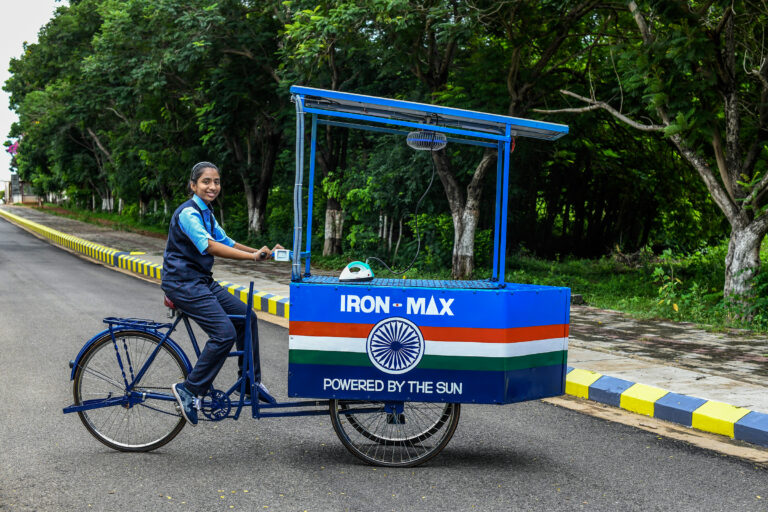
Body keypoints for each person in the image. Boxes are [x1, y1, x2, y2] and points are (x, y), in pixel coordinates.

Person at [164, 161, 282, 426]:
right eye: (206, 181)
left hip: (202, 282)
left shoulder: (207, 212)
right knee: (224, 333)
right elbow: (210, 247)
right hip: (183, 283)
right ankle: (190, 390)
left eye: (216, 182)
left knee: (246, 317)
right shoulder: (188, 213)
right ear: (193, 185)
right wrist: (251, 257)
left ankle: (249, 382)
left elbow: (226, 242)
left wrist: (257, 253)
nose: (212, 187)